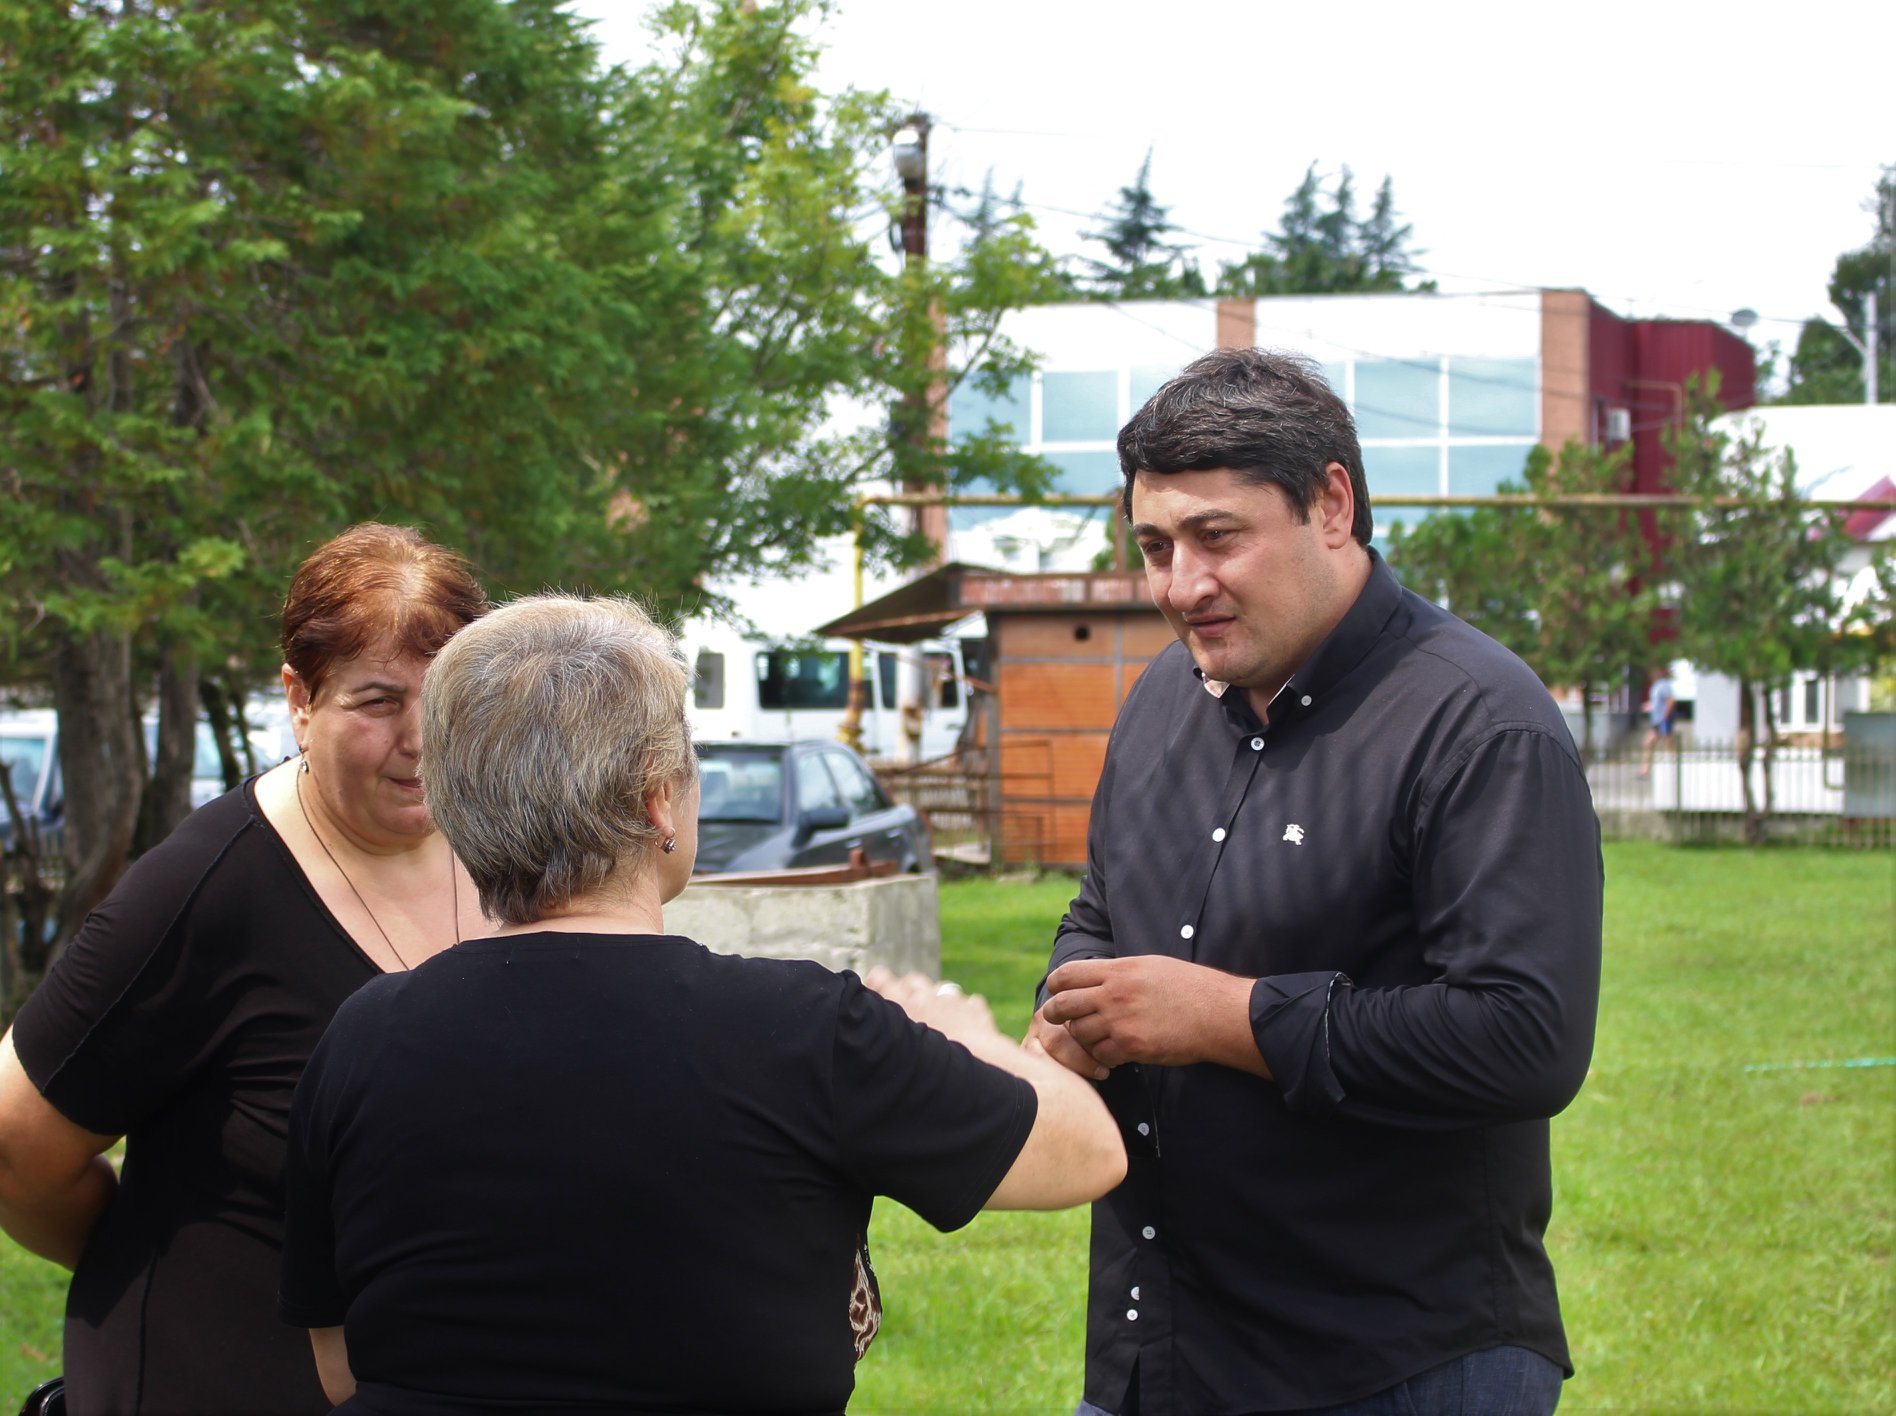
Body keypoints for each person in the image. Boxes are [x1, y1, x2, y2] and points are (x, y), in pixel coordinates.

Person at [278, 594, 1125, 1415]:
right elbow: (1086, 1152)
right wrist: (968, 1034)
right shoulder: (802, 1028)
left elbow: (341, 1364)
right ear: (657, 797)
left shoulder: (363, 1037)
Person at [1030, 349, 1603, 1416]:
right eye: (1155, 547)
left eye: (1217, 537)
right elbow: (1102, 914)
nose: (1181, 585)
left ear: (1331, 504)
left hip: (1395, 1363)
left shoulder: (1480, 722)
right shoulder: (1159, 700)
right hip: (1163, 1354)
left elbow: (1526, 1038)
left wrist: (1229, 1018)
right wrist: (1070, 1006)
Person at [0, 523, 488, 1414]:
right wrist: (149, 1256)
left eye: (448, 696)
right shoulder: (202, 891)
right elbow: (13, 1146)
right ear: (299, 698)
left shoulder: (506, 847)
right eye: (377, 701)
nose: (421, 738)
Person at [1638, 666, 1677, 777]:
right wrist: (1648, 706)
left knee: (1668, 743)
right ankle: (1645, 770)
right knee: (1648, 742)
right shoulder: (1655, 686)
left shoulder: (1663, 685)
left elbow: (1671, 700)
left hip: (1662, 720)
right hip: (1656, 721)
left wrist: (1665, 715)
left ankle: (1675, 766)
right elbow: (1657, 703)